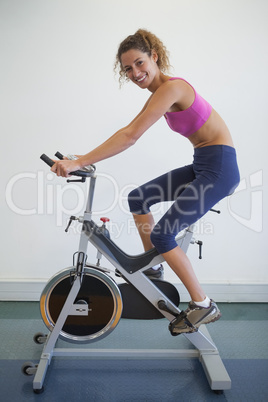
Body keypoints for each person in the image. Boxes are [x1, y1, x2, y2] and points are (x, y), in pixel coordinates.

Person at [51, 29, 240, 334]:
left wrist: (79, 162)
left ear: (154, 56)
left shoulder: (172, 88)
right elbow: (127, 129)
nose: (135, 73)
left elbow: (131, 136)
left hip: (219, 168)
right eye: (127, 69)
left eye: (139, 63)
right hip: (204, 163)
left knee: (164, 236)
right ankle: (152, 269)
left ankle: (203, 305)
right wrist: (82, 156)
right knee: (138, 198)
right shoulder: (159, 93)